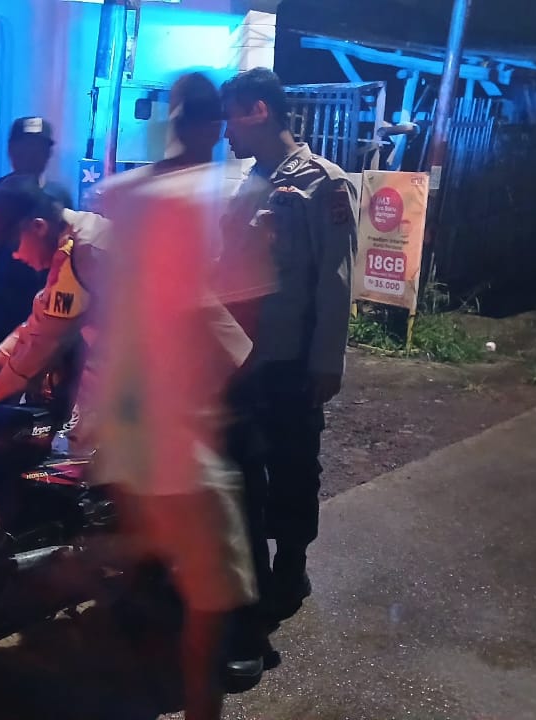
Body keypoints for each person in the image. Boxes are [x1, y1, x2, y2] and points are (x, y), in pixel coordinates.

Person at [88, 72, 258, 720]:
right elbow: (231, 319)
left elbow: (117, 315)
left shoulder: (126, 195)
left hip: (129, 435)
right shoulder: (222, 195)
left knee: (152, 573)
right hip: (185, 442)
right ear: (213, 126)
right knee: (210, 603)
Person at [218, 67, 358, 660]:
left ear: (258, 111)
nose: (226, 132)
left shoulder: (324, 185)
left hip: (291, 360)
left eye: (231, 118)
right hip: (241, 359)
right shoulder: (249, 183)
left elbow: (335, 282)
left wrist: (326, 363)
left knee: (294, 467)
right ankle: (250, 577)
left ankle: (291, 568)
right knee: (245, 473)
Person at [0, 175, 108, 446]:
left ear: (38, 227)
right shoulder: (73, 242)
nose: (15, 256)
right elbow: (34, 328)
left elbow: (42, 346)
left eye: (13, 245)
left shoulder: (84, 252)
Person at [0, 117, 73, 368]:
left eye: (38, 148)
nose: (30, 155)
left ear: (48, 153)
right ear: (10, 150)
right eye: (23, 147)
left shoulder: (59, 197)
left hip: (41, 307)